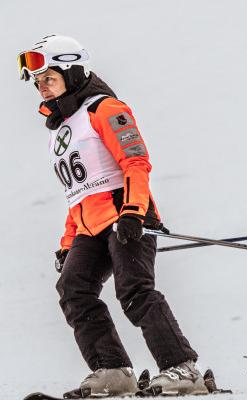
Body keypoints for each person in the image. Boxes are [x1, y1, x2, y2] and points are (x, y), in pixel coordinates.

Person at [17, 34, 209, 398]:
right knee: (73, 290)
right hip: (89, 227)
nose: (42, 87)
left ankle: (183, 368)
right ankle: (114, 371)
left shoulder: (105, 109)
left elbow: (136, 162)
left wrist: (134, 213)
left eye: (49, 78)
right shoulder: (61, 129)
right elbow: (78, 192)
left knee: (134, 289)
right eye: (38, 82)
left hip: (126, 217)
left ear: (72, 72)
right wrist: (68, 243)